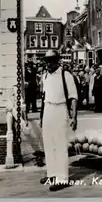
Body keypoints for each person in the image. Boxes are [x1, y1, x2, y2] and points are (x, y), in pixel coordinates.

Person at [40, 50, 78, 192]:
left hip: (61, 109)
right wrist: (41, 117)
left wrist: (74, 117)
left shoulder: (65, 75)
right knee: (49, 144)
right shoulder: (44, 76)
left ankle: (62, 178)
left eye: (51, 60)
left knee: (60, 144)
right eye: (47, 61)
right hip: (48, 111)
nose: (48, 64)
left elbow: (73, 97)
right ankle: (52, 174)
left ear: (57, 61)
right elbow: (44, 97)